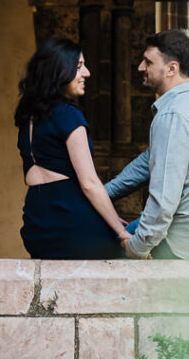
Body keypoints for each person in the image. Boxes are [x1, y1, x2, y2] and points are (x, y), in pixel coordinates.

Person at [105, 29, 189, 260]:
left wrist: (138, 248)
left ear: (172, 68)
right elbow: (150, 160)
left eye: (148, 62)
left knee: (104, 244)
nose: (140, 67)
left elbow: (163, 200)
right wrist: (103, 194)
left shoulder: (173, 115)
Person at [15, 37, 129, 259]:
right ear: (58, 71)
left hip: (36, 226)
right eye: (78, 67)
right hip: (73, 224)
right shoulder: (69, 116)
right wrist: (119, 229)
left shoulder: (28, 119)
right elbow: (89, 183)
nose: (86, 73)